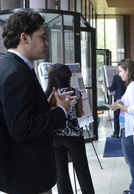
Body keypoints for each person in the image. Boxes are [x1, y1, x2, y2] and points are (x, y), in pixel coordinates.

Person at [0, 11, 72, 194]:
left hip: (19, 174)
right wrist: (61, 112)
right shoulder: (16, 73)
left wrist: (47, 107)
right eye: (42, 37)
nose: (47, 43)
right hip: (27, 178)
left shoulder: (4, 68)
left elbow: (18, 114)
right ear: (24, 38)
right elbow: (22, 128)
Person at [45, 64, 95, 194]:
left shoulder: (48, 95)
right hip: (73, 135)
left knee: (61, 172)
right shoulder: (75, 93)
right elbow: (79, 114)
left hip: (55, 136)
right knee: (82, 168)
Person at [111, 59, 134, 194]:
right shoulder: (132, 85)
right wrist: (121, 102)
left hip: (130, 130)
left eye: (121, 71)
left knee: (132, 162)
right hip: (128, 128)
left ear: (128, 71)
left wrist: (118, 106)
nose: (119, 75)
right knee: (133, 161)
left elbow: (133, 109)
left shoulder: (132, 86)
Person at [108, 73, 126, 137]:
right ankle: (122, 133)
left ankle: (116, 132)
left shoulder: (116, 77)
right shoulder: (129, 76)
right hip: (125, 97)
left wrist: (108, 88)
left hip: (118, 98)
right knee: (124, 115)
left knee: (116, 116)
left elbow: (113, 88)